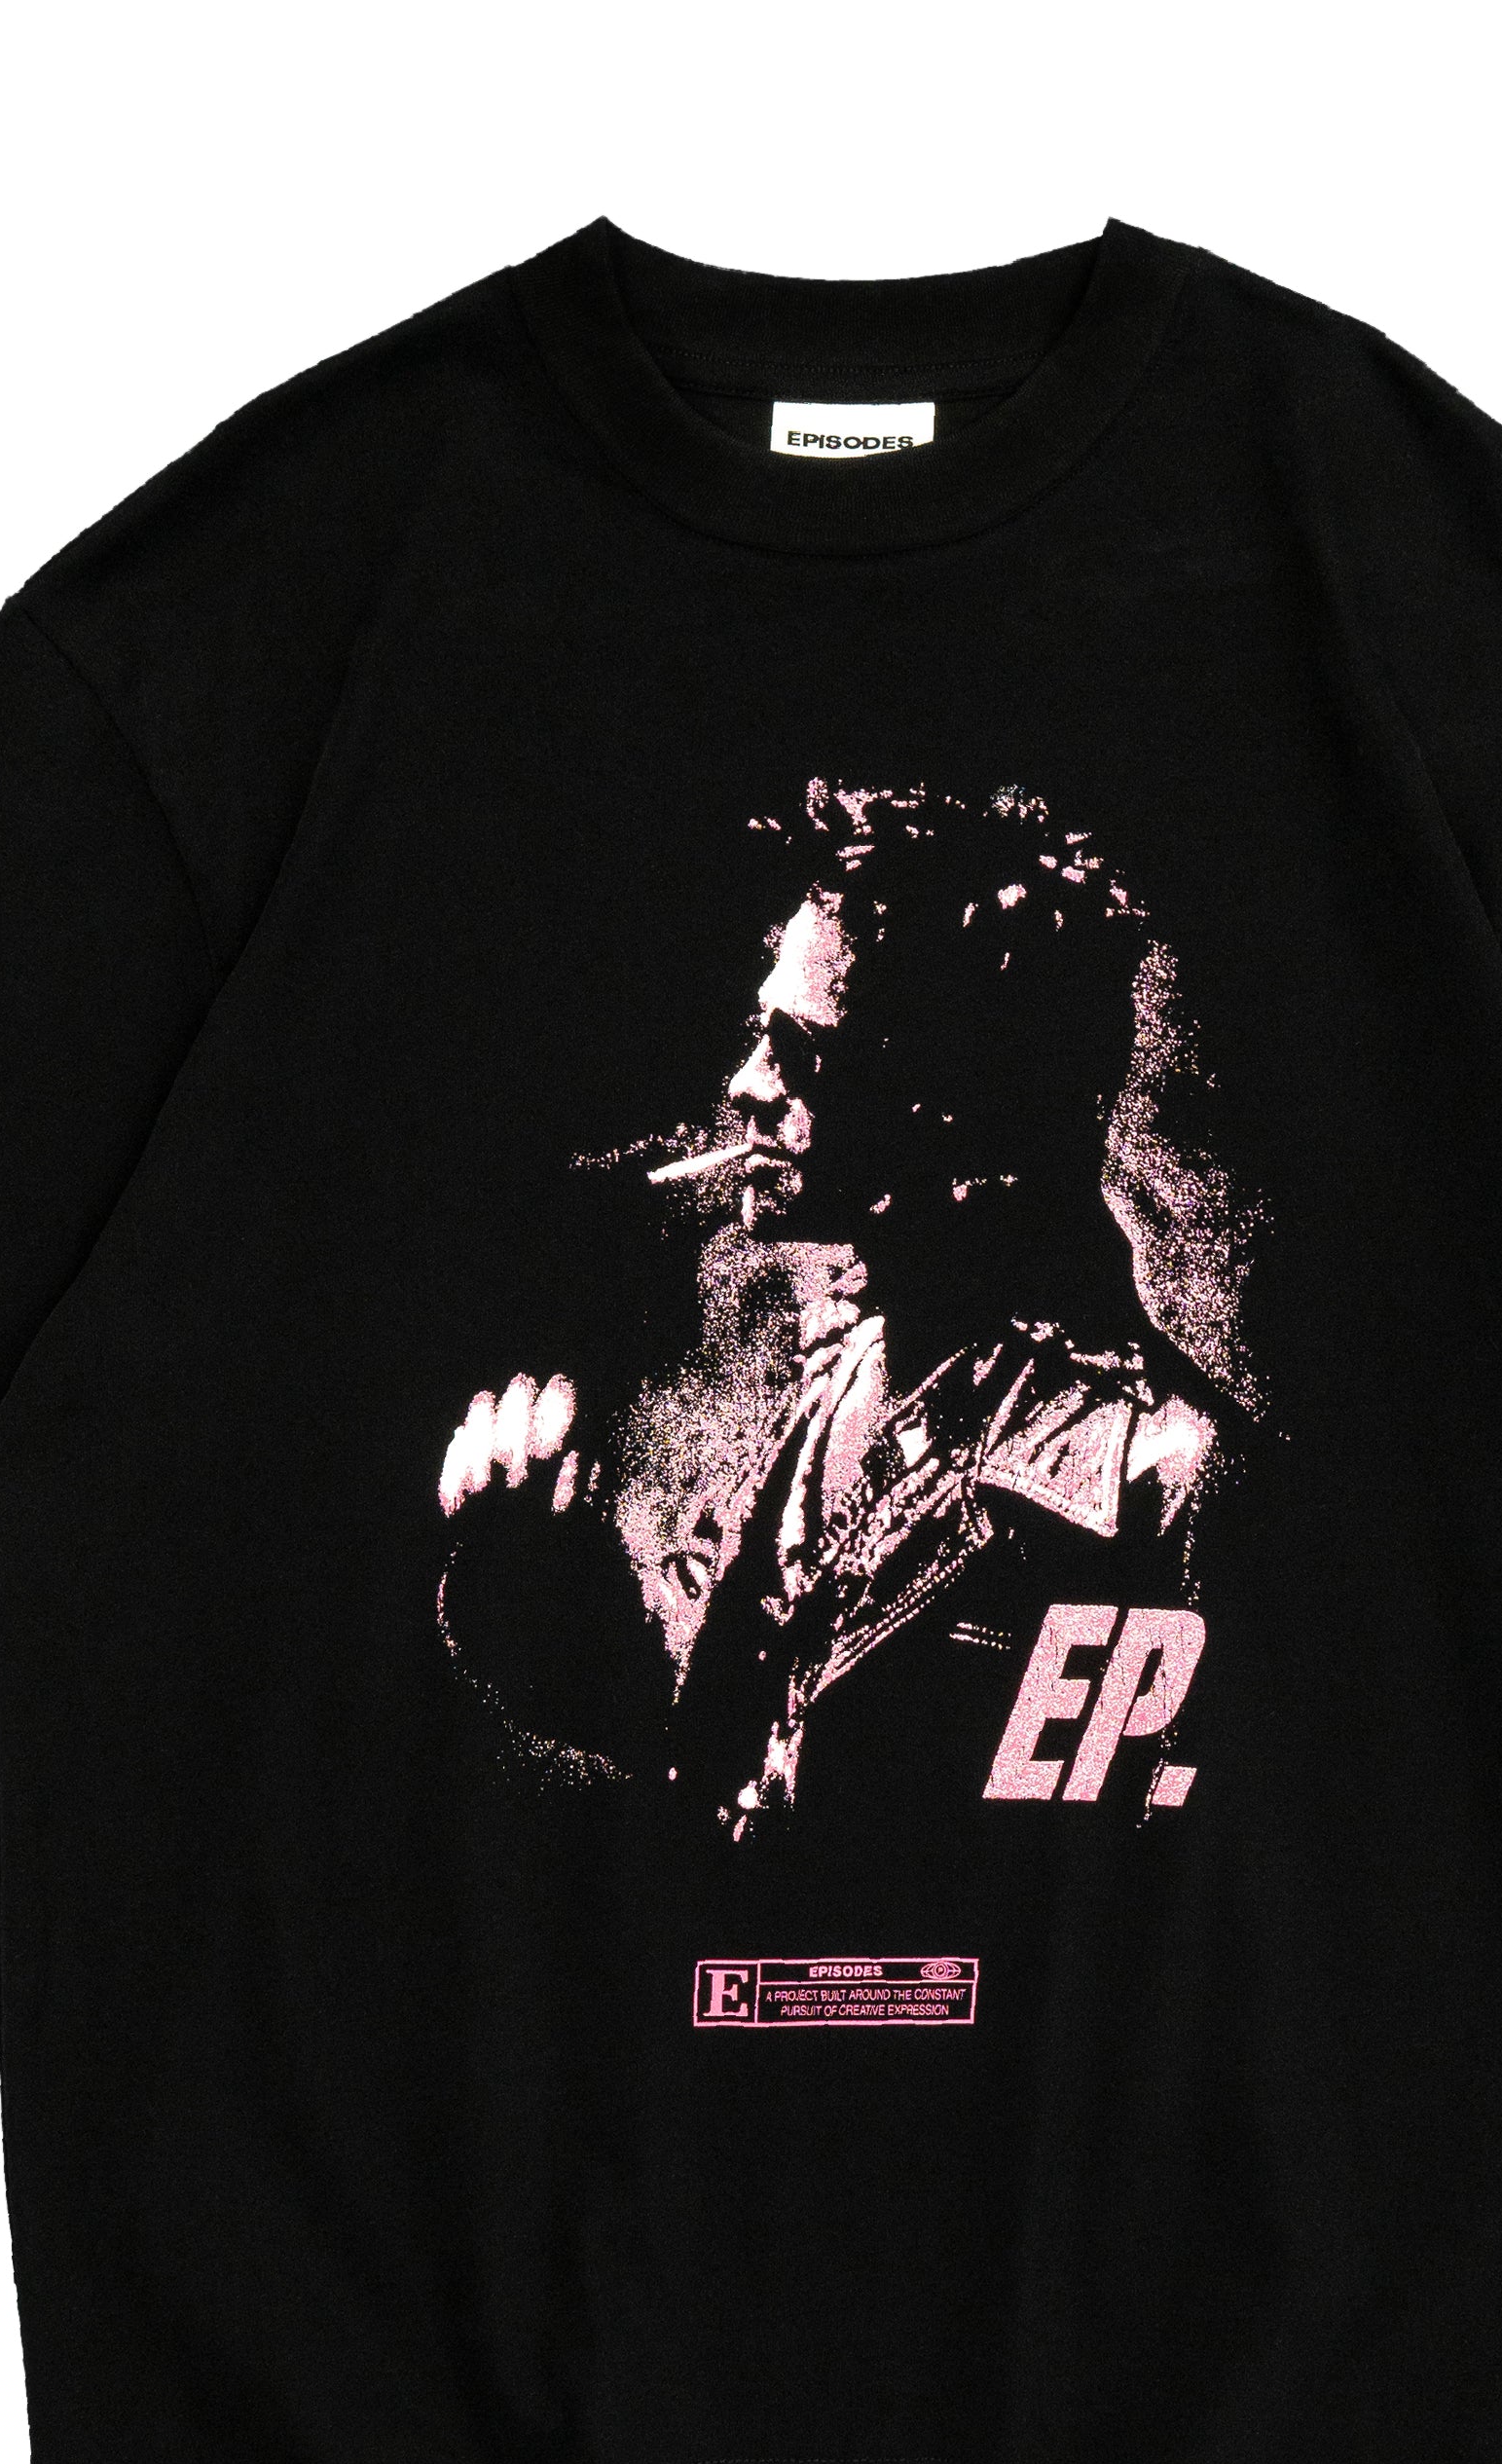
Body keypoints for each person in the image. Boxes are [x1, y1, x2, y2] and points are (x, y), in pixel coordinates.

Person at [437, 782, 1230, 1836]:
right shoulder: (839, 1366)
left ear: (949, 1102)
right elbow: (707, 1756)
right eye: (760, 1037)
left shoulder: (1154, 1481)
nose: (745, 1085)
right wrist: (540, 1592)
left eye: (797, 1053)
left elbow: (1090, 1874)